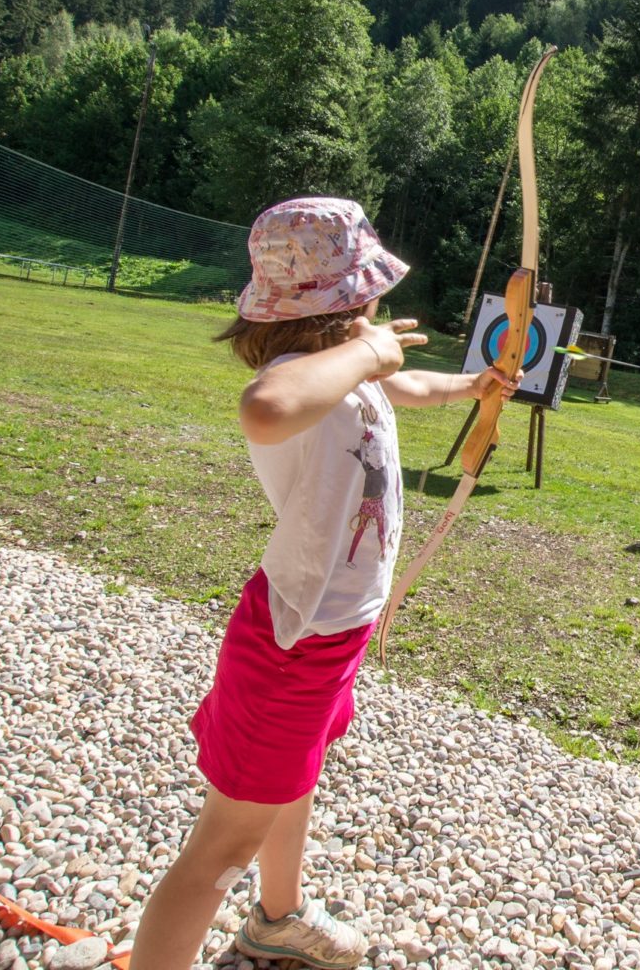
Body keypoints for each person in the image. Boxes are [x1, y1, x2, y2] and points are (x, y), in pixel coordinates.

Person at [127, 197, 515, 970]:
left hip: (330, 631)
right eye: (367, 291)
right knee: (218, 849)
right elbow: (265, 410)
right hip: (289, 644)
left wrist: (476, 386)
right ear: (344, 303)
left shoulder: (349, 375)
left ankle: (278, 915)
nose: (379, 303)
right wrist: (368, 355)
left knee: (291, 781)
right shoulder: (297, 378)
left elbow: (404, 390)